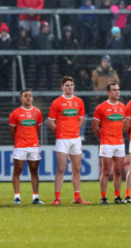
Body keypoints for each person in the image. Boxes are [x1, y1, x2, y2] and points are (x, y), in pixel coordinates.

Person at [47, 76, 90, 205]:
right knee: (61, 168)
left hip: (75, 138)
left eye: (71, 85)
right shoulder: (57, 102)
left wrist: (75, 129)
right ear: (62, 87)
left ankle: (77, 197)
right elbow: (50, 122)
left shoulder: (79, 102)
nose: (69, 87)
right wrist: (59, 132)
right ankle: (57, 198)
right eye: (67, 85)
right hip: (62, 140)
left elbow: (81, 119)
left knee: (77, 168)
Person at [92, 83, 126, 204]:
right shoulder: (101, 107)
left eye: (118, 90)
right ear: (108, 92)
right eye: (114, 90)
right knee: (105, 171)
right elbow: (95, 126)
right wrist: (102, 137)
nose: (117, 92)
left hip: (120, 143)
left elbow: (125, 124)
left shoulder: (123, 107)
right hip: (107, 143)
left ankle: (117, 197)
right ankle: (103, 197)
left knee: (118, 171)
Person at [10, 89, 44, 205]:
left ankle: (35, 197)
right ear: (21, 99)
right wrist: (20, 140)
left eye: (30, 96)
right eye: (25, 96)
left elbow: (37, 129)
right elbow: (13, 131)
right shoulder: (15, 113)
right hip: (20, 145)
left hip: (34, 145)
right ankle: (17, 197)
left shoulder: (37, 112)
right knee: (17, 170)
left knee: (34, 170)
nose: (28, 98)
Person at [32, 21, 54, 90]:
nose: (46, 29)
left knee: (49, 76)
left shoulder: (52, 37)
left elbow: (54, 47)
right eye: (44, 27)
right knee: (38, 76)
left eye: (47, 27)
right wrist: (35, 59)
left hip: (49, 59)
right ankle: (36, 90)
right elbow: (33, 48)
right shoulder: (37, 37)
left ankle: (49, 91)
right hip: (39, 60)